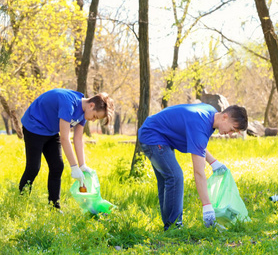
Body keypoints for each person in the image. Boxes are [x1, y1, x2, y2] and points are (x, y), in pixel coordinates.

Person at [138, 103, 248, 231]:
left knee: (167, 180)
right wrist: (207, 206)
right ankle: (175, 226)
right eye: (232, 129)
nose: (230, 134)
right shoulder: (200, 125)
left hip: (156, 133)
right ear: (225, 117)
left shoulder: (211, 113)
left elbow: (197, 143)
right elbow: (199, 172)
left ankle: (170, 226)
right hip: (152, 135)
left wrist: (213, 162)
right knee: (175, 177)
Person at [19, 88, 114, 209]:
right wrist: (74, 167)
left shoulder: (84, 113)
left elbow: (78, 139)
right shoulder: (68, 103)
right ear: (91, 105)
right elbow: (64, 138)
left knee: (57, 167)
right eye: (95, 116)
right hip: (34, 126)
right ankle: (21, 202)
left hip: (50, 131)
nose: (93, 119)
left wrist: (82, 165)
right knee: (33, 168)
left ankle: (54, 206)